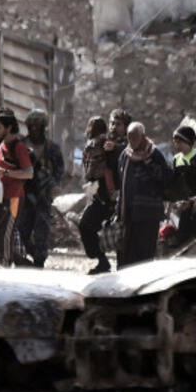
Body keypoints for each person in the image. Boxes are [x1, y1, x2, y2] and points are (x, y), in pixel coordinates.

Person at [78, 109, 131, 274]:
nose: (114, 127)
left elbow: (129, 154)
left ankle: (124, 269)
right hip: (103, 197)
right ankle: (102, 261)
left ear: (126, 127)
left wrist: (115, 149)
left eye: (119, 124)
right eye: (112, 123)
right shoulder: (102, 143)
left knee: (122, 236)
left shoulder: (130, 145)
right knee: (85, 224)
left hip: (123, 198)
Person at [117, 122, 169, 266]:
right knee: (126, 254)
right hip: (128, 214)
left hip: (148, 214)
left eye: (135, 137)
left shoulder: (154, 154)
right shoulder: (124, 156)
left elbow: (164, 178)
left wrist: (149, 162)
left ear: (143, 136)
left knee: (144, 255)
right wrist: (118, 210)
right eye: (129, 137)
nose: (132, 141)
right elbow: (122, 184)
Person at [18, 109, 64, 268]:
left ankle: (39, 260)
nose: (35, 130)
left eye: (38, 126)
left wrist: (52, 184)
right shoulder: (21, 146)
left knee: (42, 232)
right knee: (22, 230)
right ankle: (30, 254)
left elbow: (59, 169)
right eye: (32, 126)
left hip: (43, 196)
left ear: (44, 127)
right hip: (24, 194)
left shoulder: (52, 148)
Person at [0, 107, 34, 266]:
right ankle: (24, 265)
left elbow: (29, 173)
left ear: (8, 128)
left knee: (6, 236)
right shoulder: (0, 146)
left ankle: (5, 268)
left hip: (14, 198)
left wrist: (4, 172)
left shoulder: (18, 147)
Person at [171, 125, 196, 198]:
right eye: (175, 142)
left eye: (179, 142)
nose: (176, 145)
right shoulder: (176, 159)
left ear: (188, 142)